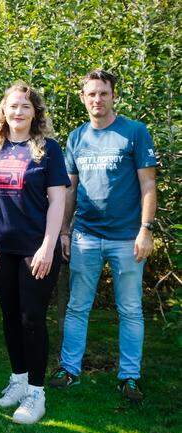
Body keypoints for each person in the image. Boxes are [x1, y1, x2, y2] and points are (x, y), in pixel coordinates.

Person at [49, 70, 157, 402]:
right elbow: (69, 189)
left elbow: (148, 185)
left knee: (130, 309)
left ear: (113, 96)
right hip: (85, 236)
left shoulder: (134, 132)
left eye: (103, 93)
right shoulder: (76, 137)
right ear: (83, 98)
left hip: (127, 238)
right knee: (78, 306)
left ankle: (129, 377)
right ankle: (69, 370)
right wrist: (65, 230)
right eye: (91, 94)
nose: (97, 99)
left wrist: (146, 230)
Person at [0, 82, 69, 424]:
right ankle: (18, 379)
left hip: (35, 248)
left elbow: (58, 199)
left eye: (25, 107)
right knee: (10, 316)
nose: (18, 112)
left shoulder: (48, 150)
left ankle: (36, 393)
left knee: (31, 318)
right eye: (12, 106)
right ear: (3, 110)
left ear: (35, 113)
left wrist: (48, 244)